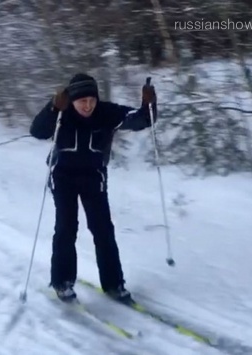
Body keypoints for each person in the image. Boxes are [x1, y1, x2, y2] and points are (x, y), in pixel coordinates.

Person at [29, 73, 157, 302]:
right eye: (82, 101)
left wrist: (149, 104)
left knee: (103, 230)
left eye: (92, 100)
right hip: (63, 176)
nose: (88, 106)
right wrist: (52, 107)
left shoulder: (106, 112)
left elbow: (141, 119)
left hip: (93, 176)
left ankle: (114, 284)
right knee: (66, 228)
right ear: (72, 100)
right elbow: (38, 132)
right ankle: (62, 281)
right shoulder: (62, 112)